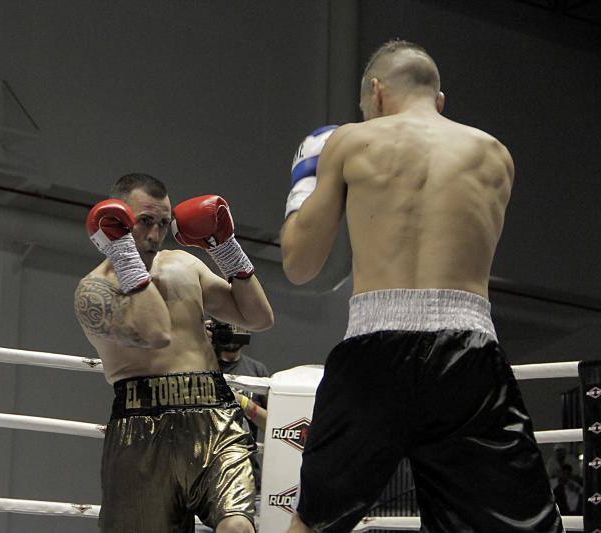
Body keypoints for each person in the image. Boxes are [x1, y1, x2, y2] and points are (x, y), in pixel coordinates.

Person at [280, 40, 563, 532]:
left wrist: (304, 185)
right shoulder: (495, 154)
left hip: (374, 350)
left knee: (316, 522)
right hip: (469, 352)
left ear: (376, 91)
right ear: (440, 100)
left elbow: (300, 265)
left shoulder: (350, 141)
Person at [74, 173, 274, 533]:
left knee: (238, 527)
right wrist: (124, 256)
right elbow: (157, 332)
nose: (154, 235)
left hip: (213, 415)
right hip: (141, 426)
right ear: (117, 221)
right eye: (144, 222)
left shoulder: (184, 265)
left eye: (163, 223)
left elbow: (257, 318)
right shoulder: (95, 291)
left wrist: (226, 248)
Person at [207, 319, 269, 484]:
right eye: (226, 325)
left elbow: (272, 424)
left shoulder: (257, 371)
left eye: (236, 325)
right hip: (208, 468)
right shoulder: (201, 365)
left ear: (247, 331)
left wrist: (242, 401)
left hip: (246, 468)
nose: (232, 330)